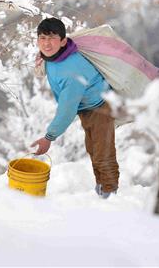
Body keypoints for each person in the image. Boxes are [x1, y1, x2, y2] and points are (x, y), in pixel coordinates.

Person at [30, 17, 119, 198]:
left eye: (52, 38)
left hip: (101, 106)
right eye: (42, 38)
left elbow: (67, 111)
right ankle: (102, 189)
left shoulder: (71, 71)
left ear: (63, 41)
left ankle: (110, 194)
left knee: (103, 152)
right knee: (93, 148)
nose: (46, 44)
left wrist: (49, 138)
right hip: (87, 107)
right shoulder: (51, 56)